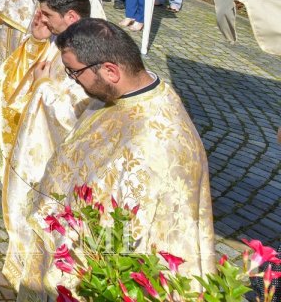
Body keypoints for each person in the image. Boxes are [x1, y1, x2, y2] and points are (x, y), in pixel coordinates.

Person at [16, 19, 215, 299]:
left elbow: (136, 234)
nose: (73, 80)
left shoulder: (157, 143)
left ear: (110, 70)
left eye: (74, 73)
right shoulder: (121, 93)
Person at [0, 0, 92, 286]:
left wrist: (42, 87)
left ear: (72, 16)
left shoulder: (86, 52)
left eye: (48, 15)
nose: (42, 19)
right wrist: (38, 41)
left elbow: (73, 116)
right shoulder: (63, 39)